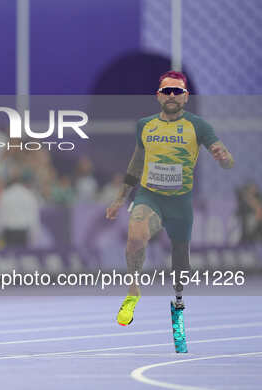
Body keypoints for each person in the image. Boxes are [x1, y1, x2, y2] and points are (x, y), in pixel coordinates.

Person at [106, 71, 234, 325]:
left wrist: (223, 157)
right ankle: (133, 292)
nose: (172, 96)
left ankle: (178, 299)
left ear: (186, 97)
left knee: (180, 266)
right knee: (135, 236)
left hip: (180, 202)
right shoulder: (145, 125)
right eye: (167, 91)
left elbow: (228, 162)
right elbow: (136, 163)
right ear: (158, 96)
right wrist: (120, 198)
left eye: (177, 91)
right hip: (149, 196)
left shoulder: (198, 125)